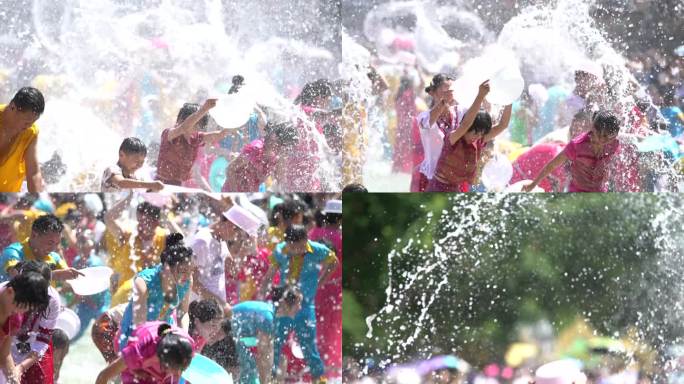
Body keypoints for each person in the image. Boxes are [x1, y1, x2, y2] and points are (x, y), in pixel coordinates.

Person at [259, 225, 339, 382]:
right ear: (287, 243)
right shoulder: (281, 250)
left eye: (300, 246)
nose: (297, 250)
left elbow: (334, 262)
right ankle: (273, 378)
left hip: (305, 305)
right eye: (293, 247)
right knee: (276, 342)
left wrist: (321, 281)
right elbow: (270, 274)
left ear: (306, 240)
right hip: (284, 305)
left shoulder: (317, 250)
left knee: (309, 345)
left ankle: (319, 378)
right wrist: (263, 293)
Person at [426, 80, 513, 192]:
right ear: (468, 130)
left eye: (481, 134)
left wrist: (509, 99)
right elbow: (466, 124)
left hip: (456, 188)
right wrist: (480, 95)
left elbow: (503, 125)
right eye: (475, 133)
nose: (477, 137)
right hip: (437, 188)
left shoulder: (478, 141)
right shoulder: (453, 138)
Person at [117, 233, 193, 350]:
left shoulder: (186, 280)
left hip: (162, 332)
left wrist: (184, 337)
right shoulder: (143, 282)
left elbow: (183, 314)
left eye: (191, 270)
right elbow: (139, 324)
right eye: (183, 271)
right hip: (133, 334)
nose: (188, 276)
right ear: (167, 266)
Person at [523, 110, 621, 192]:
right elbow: (552, 165)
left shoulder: (614, 144)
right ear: (593, 128)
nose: (603, 141)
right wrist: (533, 184)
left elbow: (612, 164)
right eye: (600, 136)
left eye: (608, 138)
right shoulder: (577, 145)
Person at [232, 285, 303, 384]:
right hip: (222, 335)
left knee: (251, 368)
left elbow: (267, 352)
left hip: (229, 335)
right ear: (284, 303)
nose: (300, 307)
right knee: (249, 369)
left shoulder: (270, 314)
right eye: (297, 303)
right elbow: (263, 355)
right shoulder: (268, 317)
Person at [155, 99, 233, 186]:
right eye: (195, 125)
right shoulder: (169, 134)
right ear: (180, 121)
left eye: (199, 126)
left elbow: (220, 135)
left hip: (180, 185)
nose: (197, 129)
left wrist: (234, 121)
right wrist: (204, 109)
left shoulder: (196, 138)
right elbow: (184, 127)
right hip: (161, 184)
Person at [103, 194, 168, 298]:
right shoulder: (129, 235)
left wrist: (166, 216)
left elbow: (183, 239)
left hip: (153, 297)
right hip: (125, 295)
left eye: (144, 222)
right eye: (138, 221)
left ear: (156, 223)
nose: (139, 226)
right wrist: (129, 197)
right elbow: (108, 218)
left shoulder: (164, 237)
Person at [8, 261, 61, 384]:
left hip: (35, 349)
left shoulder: (52, 299)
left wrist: (21, 367)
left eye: (39, 294)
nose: (34, 300)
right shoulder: (5, 294)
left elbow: (43, 340)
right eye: (30, 293)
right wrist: (10, 366)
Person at [95, 322, 196, 384]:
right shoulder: (139, 350)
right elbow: (103, 376)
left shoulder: (187, 348)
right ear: (160, 359)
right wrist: (135, 368)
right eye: (176, 369)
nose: (179, 374)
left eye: (183, 369)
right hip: (132, 348)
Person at [309, 200, 342, 380]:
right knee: (332, 332)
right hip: (334, 291)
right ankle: (329, 373)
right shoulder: (342, 238)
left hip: (313, 290)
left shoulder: (313, 234)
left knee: (314, 328)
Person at [0, 214, 82, 282]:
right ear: (34, 235)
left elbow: (69, 278)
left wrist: (74, 276)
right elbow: (18, 279)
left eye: (57, 244)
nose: (53, 248)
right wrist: (53, 275)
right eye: (50, 243)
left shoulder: (54, 257)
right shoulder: (13, 252)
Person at [0, 272, 50, 383]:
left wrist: (13, 379)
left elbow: (4, 354)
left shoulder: (14, 316)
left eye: (26, 309)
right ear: (9, 292)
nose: (19, 312)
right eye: (19, 306)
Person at [222, 121, 299, 192]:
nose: (282, 149)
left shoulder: (276, 158)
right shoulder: (255, 149)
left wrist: (282, 160)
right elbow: (230, 169)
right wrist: (236, 192)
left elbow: (280, 181)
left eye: (286, 148)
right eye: (280, 144)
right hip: (232, 192)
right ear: (274, 136)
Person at [0, 87, 45, 193]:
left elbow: (33, 172)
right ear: (12, 107)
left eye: (33, 122)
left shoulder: (31, 132)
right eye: (26, 121)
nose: (29, 126)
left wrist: (37, 200)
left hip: (7, 198)